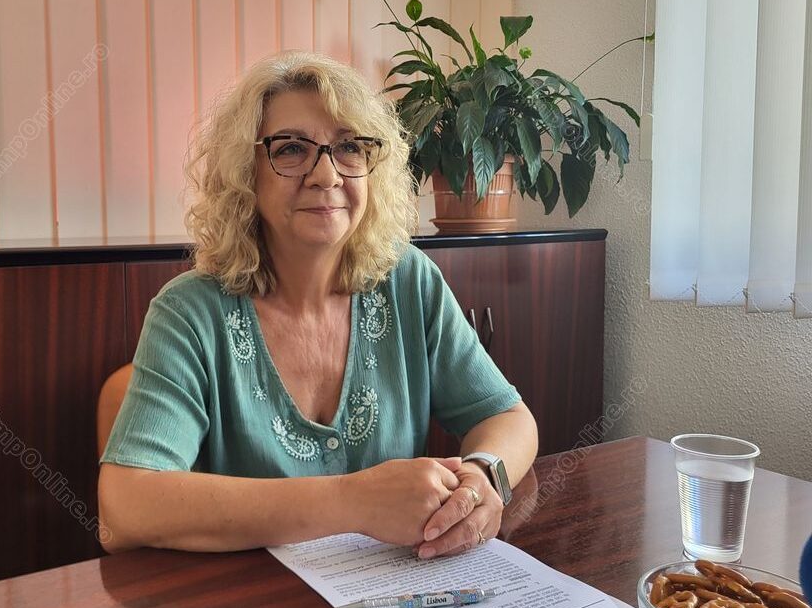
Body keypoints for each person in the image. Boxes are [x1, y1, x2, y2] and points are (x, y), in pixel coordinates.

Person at [98, 50, 538, 559]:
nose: (326, 176)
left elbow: (508, 416)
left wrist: (484, 475)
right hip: (254, 600)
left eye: (349, 147)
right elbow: (125, 506)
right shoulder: (188, 314)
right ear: (246, 172)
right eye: (290, 149)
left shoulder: (408, 280)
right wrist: (352, 501)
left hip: (400, 593)